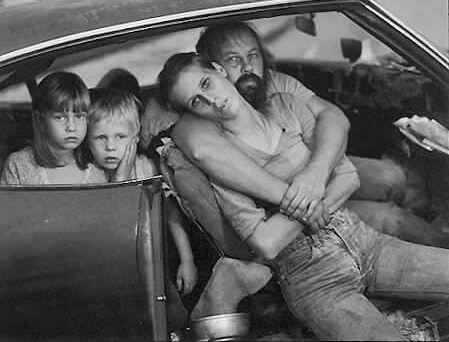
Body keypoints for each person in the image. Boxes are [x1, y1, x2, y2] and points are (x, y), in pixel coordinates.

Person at [158, 52, 449, 341]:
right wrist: (312, 206)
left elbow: (349, 177)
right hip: (312, 277)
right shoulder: (223, 163)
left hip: (365, 240)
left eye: (206, 84)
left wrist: (310, 184)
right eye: (197, 101)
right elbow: (266, 243)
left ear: (220, 70)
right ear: (193, 113)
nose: (211, 100)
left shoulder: (287, 106)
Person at [164, 22, 448, 247]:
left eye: (253, 55)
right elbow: (200, 147)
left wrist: (316, 173)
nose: (249, 67)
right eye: (234, 59)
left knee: (393, 175)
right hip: (289, 209)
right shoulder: (203, 110)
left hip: (318, 175)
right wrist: (303, 198)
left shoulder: (275, 83)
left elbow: (333, 116)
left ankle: (429, 225)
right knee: (391, 219)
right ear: (217, 68)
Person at [86, 88, 198, 299]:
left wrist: (187, 259)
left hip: (155, 260)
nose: (110, 146)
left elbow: (171, 214)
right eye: (100, 137)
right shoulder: (90, 175)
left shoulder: (148, 168)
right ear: (87, 140)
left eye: (120, 136)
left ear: (135, 137)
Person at [1, 71, 106, 185]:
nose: (71, 127)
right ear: (40, 120)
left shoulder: (97, 165)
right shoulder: (19, 165)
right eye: (60, 118)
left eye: (79, 116)